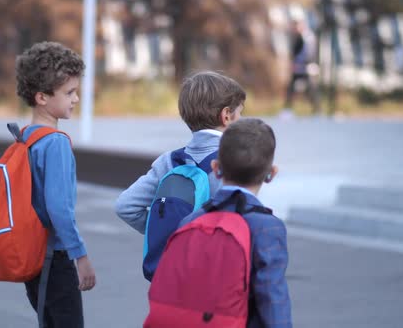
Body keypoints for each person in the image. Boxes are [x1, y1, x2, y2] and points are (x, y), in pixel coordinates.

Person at [179, 118, 293, 327]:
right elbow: (272, 297)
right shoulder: (268, 227)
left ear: (216, 168)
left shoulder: (191, 220)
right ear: (272, 173)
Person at [16, 41, 95, 328]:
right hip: (54, 258)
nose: (76, 99)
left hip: (32, 256)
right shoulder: (56, 144)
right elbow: (59, 208)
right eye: (69, 92)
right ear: (42, 97)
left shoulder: (25, 137)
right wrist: (80, 255)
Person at [114, 71, 246, 234]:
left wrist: (166, 230)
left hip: (172, 258)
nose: (242, 119)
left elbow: (125, 206)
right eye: (241, 113)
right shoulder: (235, 162)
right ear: (226, 116)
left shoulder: (168, 161)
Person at [282, 19, 320, 119]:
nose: (294, 29)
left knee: (311, 88)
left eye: (295, 27)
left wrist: (304, 63)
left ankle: (317, 110)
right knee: (291, 88)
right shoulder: (298, 37)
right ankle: (287, 109)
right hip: (299, 67)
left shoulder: (308, 37)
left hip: (306, 67)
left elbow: (310, 53)